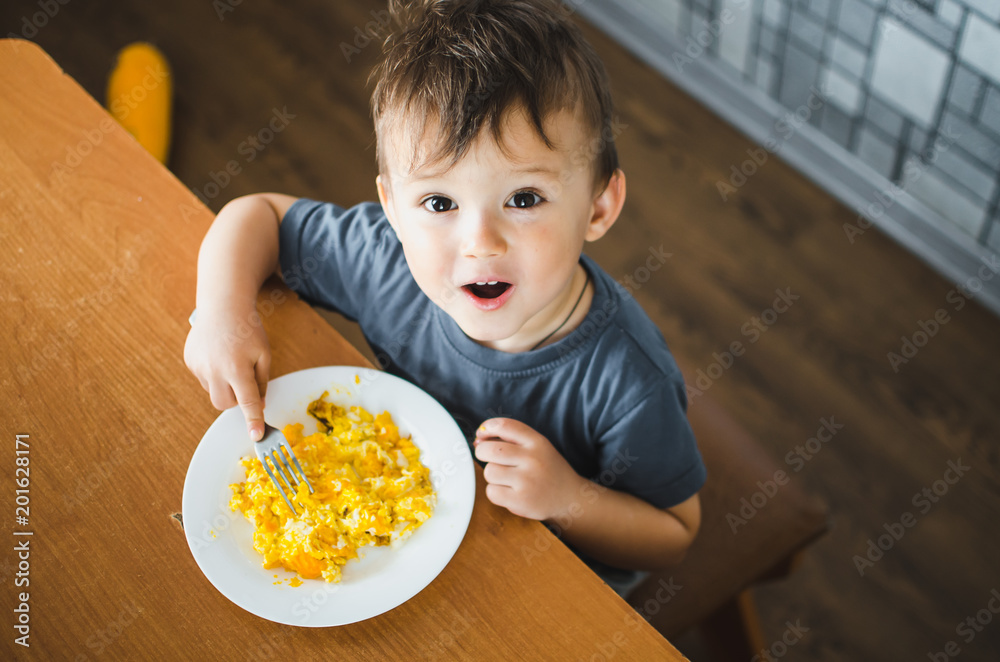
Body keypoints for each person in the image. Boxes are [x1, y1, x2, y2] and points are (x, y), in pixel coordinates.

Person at [184, 0, 705, 597]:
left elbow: (675, 534)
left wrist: (568, 497)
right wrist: (223, 313)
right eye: (438, 204)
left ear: (598, 206)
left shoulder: (628, 382)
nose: (479, 244)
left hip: (543, 581)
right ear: (392, 209)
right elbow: (259, 217)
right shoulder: (386, 262)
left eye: (525, 198)